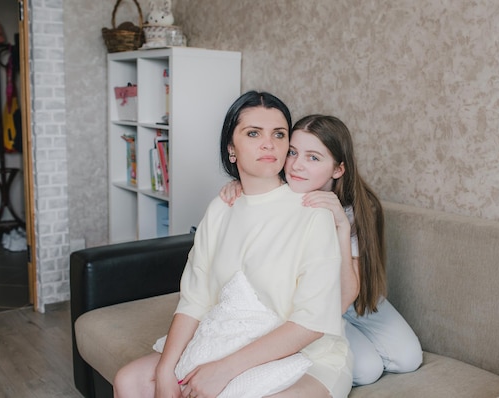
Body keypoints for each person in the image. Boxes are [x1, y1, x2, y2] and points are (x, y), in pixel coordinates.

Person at [113, 92, 353, 398]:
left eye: (278, 135)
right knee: (129, 381)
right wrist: (165, 370)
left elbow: (311, 323)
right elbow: (195, 299)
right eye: (253, 133)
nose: (268, 144)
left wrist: (223, 370)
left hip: (307, 354)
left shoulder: (313, 212)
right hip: (228, 338)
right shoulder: (221, 207)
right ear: (231, 149)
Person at [221, 114, 423, 386]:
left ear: (338, 169)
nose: (297, 165)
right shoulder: (281, 194)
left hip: (351, 298)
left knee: (409, 358)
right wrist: (237, 186)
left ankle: (350, 335)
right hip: (317, 306)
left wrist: (341, 225)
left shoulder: (359, 208)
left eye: (313, 158)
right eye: (292, 152)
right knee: (366, 369)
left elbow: (348, 294)